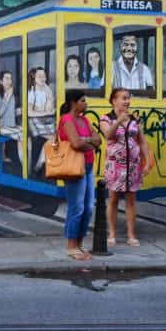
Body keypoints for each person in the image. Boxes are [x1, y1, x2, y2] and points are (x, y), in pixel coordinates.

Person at [100, 88, 153, 247]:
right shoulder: (106, 118)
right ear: (114, 101)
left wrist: (148, 161)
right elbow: (108, 135)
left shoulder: (135, 119)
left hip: (133, 165)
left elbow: (141, 141)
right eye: (123, 98)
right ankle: (112, 234)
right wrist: (118, 121)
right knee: (113, 199)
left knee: (131, 200)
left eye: (128, 98)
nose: (127, 101)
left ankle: (131, 234)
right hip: (115, 166)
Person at [58, 88, 101, 261]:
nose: (86, 103)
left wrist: (87, 141)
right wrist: (89, 141)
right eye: (83, 100)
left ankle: (80, 243)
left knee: (89, 207)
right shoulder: (67, 120)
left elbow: (98, 139)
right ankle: (71, 246)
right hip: (75, 167)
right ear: (74, 103)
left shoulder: (85, 120)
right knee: (77, 207)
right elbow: (75, 143)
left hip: (88, 165)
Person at [27, 67, 55, 177]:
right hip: (34, 121)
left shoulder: (47, 89)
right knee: (54, 139)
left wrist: (40, 109)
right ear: (34, 77)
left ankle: (40, 162)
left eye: (44, 76)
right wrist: (42, 111)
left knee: (58, 137)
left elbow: (50, 108)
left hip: (46, 119)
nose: (42, 78)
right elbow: (30, 113)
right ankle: (39, 164)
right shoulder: (32, 91)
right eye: (39, 76)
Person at [0, 71, 22, 173]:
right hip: (0, 127)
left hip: (10, 126)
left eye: (10, 78)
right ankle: (23, 165)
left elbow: (11, 113)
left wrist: (21, 110)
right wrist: (7, 97)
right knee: (22, 135)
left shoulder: (12, 95)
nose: (9, 81)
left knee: (27, 131)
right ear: (1, 81)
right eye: (7, 78)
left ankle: (24, 162)